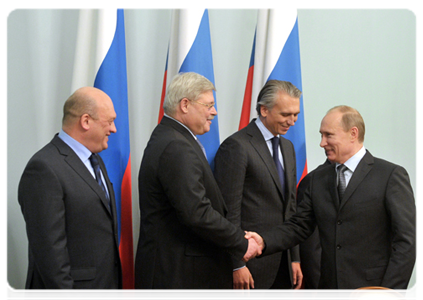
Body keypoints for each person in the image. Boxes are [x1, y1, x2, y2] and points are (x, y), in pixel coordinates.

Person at [246, 105, 419, 300]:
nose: (322, 143)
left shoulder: (390, 176)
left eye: (329, 135)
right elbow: (298, 226)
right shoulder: (315, 180)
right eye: (321, 135)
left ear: (353, 134)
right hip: (329, 293)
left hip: (373, 292)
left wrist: (387, 294)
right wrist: (264, 241)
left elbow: (407, 241)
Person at [134, 72, 261, 300]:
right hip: (180, 280)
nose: (214, 112)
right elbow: (197, 212)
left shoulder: (173, 138)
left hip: (182, 276)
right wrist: (240, 242)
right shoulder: (176, 146)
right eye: (209, 105)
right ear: (185, 105)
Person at [18, 87, 123, 300]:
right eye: (109, 121)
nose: (114, 129)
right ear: (86, 121)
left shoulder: (96, 161)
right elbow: (50, 257)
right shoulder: (44, 168)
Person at [214, 80, 303, 300]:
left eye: (296, 114)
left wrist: (294, 258)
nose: (292, 121)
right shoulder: (237, 146)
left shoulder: (288, 148)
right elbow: (228, 212)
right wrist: (236, 264)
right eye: (286, 114)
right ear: (264, 110)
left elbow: (290, 207)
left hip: (283, 266)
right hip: (250, 268)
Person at [296, 159, 330, 300]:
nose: (323, 143)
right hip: (324, 282)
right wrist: (316, 284)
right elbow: (310, 238)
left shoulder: (370, 176)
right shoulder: (313, 180)